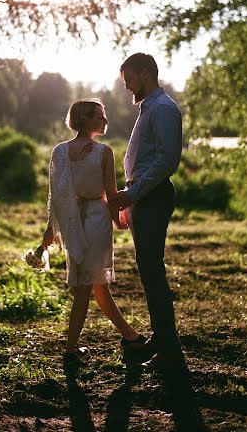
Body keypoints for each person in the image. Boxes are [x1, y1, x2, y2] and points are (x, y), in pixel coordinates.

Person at [41, 98, 146, 367]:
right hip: (95, 220)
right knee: (86, 286)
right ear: (85, 119)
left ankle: (129, 336)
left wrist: (52, 228)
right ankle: (71, 349)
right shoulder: (104, 152)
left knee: (96, 283)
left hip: (74, 220)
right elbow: (111, 195)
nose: (105, 121)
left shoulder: (59, 152)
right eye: (100, 117)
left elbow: (56, 197)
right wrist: (119, 221)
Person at [109, 53, 184, 370]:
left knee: (152, 271)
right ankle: (163, 340)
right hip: (144, 198)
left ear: (145, 73)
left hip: (153, 197)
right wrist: (132, 198)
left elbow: (167, 160)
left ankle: (167, 347)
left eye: (129, 80)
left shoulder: (163, 109)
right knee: (149, 271)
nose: (127, 87)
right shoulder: (150, 108)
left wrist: (134, 193)